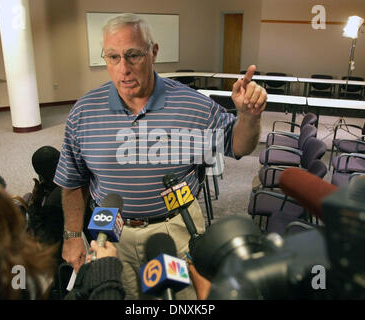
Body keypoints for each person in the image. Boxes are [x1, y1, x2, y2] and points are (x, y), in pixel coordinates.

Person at [54, 13, 267, 299]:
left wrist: (249, 117)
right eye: (113, 57)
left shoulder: (194, 106)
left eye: (133, 55)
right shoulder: (83, 112)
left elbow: (238, 146)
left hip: (176, 230)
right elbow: (72, 181)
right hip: (112, 235)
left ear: (153, 52)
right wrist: (71, 237)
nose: (123, 69)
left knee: (180, 300)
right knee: (126, 297)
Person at [0, 160, 124, 300]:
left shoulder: (16, 270)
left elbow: (21, 289)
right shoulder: (13, 268)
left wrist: (78, 290)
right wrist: (105, 278)